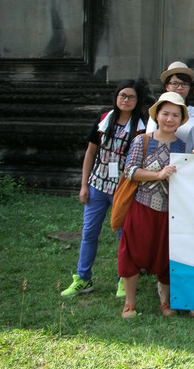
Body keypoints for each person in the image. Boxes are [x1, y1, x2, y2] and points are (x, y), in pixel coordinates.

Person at [61, 80, 146, 298]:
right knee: (89, 232)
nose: (126, 100)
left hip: (123, 189)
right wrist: (84, 185)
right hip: (97, 185)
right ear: (116, 97)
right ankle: (83, 278)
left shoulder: (141, 127)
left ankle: (124, 280)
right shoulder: (104, 120)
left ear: (138, 101)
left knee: (123, 236)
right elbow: (91, 153)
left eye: (131, 97)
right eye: (122, 95)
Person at [118, 92, 188, 319]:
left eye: (175, 115)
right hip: (142, 205)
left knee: (166, 254)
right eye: (165, 114)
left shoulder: (182, 146)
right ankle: (129, 303)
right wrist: (157, 175)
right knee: (133, 252)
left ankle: (165, 301)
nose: (170, 119)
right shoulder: (143, 140)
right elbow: (130, 171)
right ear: (157, 115)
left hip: (171, 211)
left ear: (181, 119)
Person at [145, 62, 194, 141]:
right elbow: (150, 139)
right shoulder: (158, 111)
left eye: (184, 83)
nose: (180, 87)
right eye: (175, 83)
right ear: (167, 86)